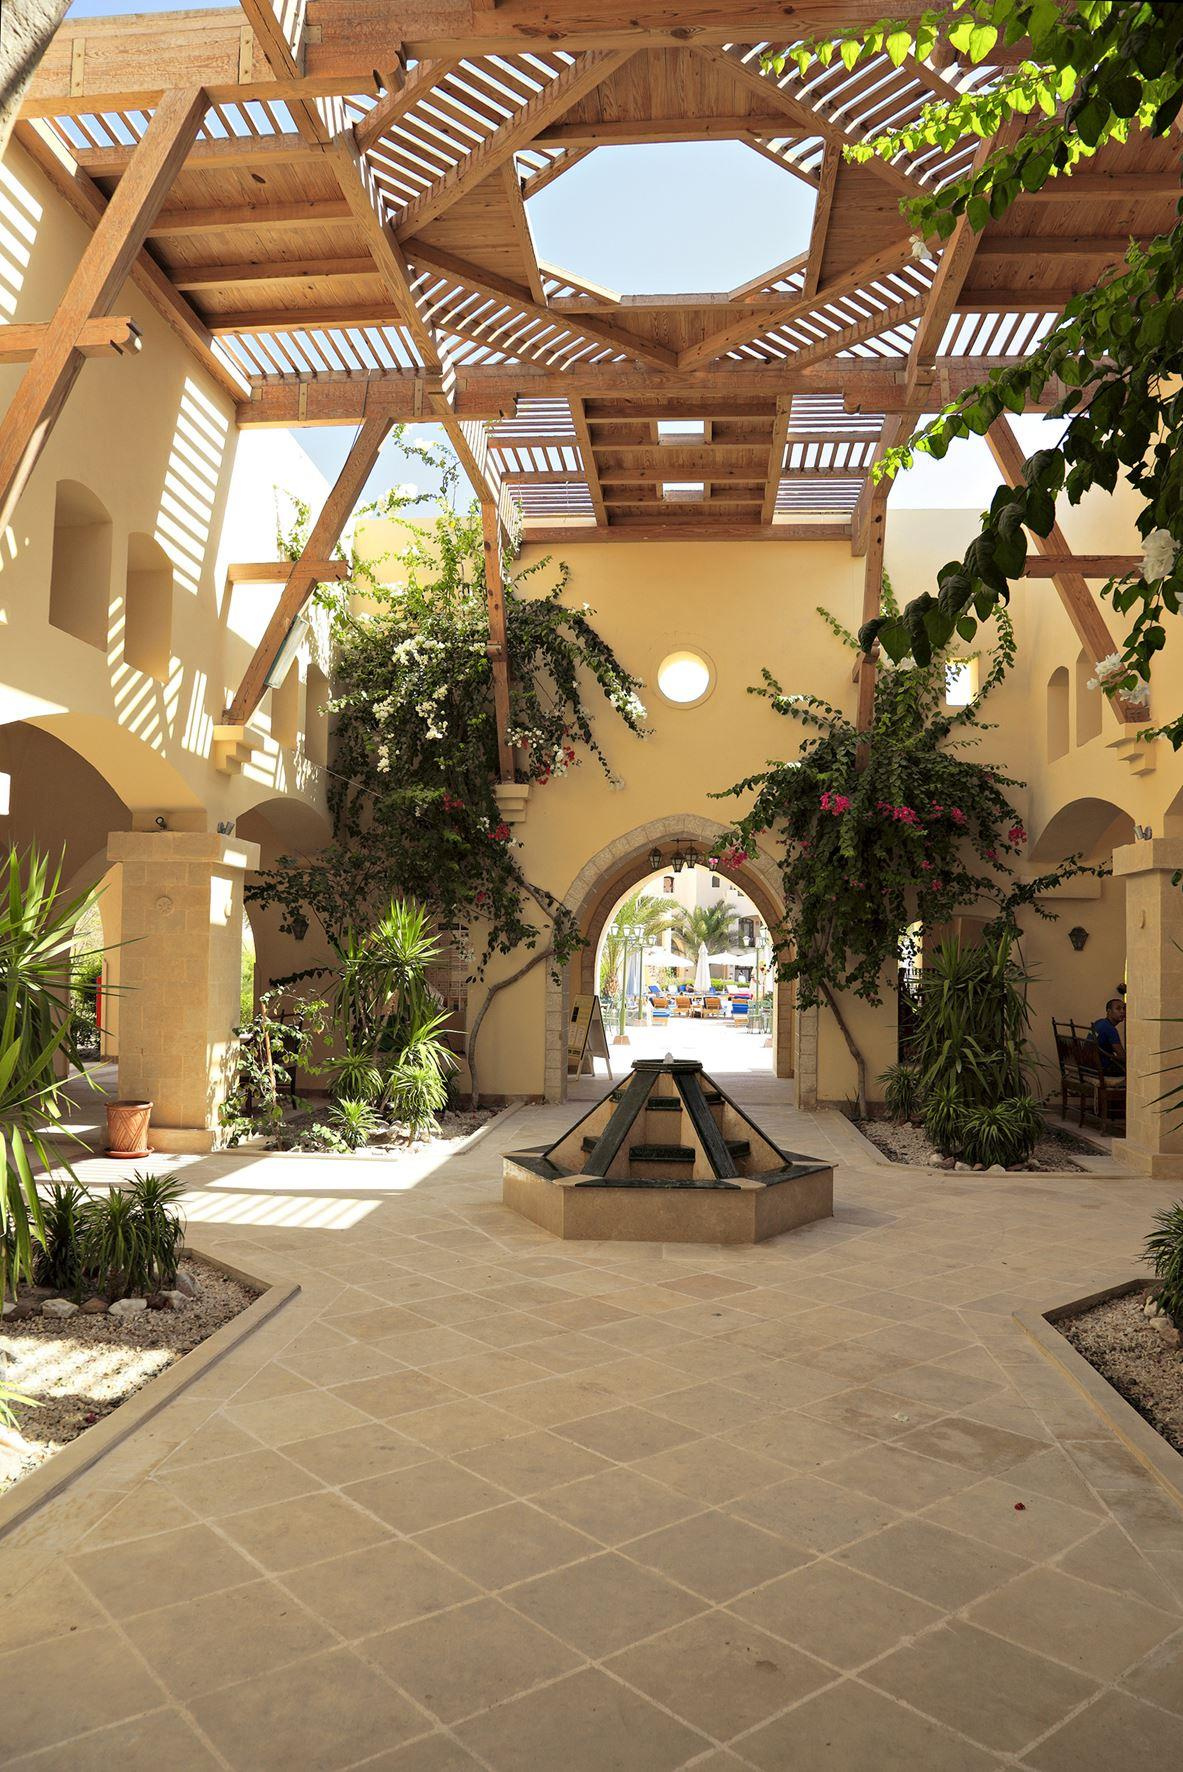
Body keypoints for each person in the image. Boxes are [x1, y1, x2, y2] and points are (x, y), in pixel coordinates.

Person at [1091, 997, 1126, 1074]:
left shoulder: (1099, 1022)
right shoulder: (1110, 1029)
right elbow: (1123, 1056)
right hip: (1102, 1067)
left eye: (1124, 1008)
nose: (1122, 1011)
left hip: (1090, 1064)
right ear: (1109, 1011)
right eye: (1118, 1009)